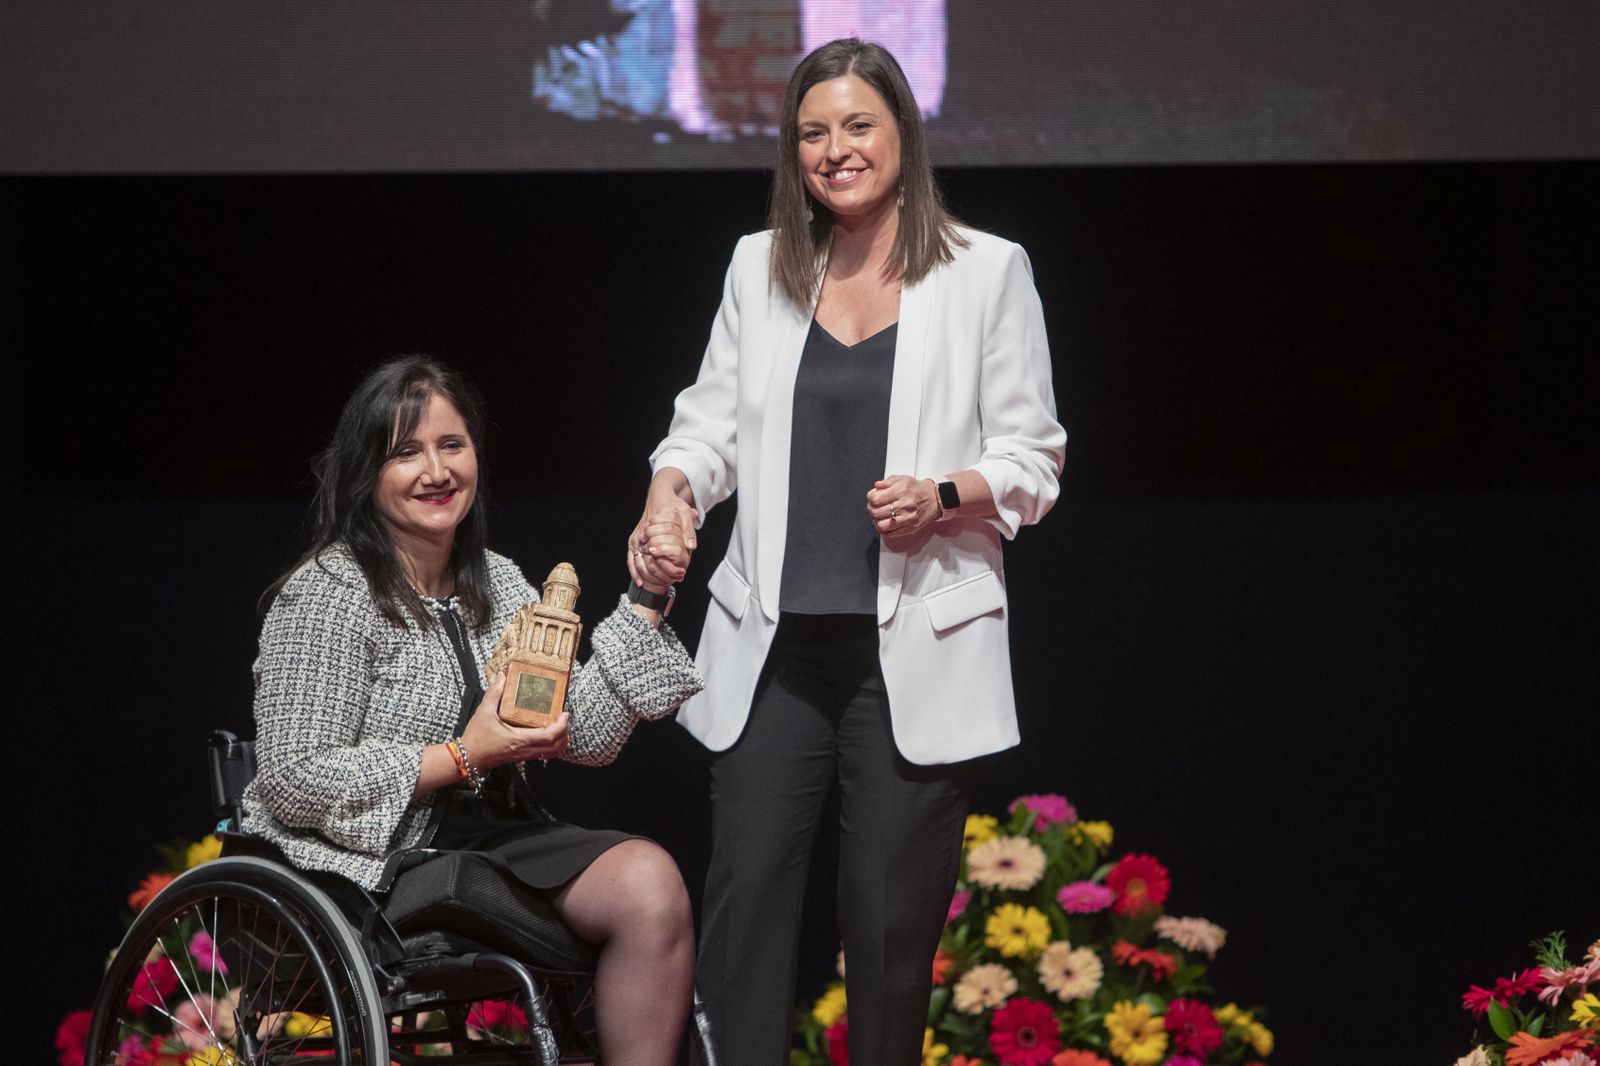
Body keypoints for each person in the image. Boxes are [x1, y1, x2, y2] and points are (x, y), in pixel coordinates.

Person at [629, 37, 1066, 1066]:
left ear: (902, 133)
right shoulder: (759, 266)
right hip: (772, 650)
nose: (837, 151)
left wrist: (943, 494)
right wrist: (668, 492)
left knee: (885, 937)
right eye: (813, 133)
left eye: (858, 125)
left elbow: (1033, 459)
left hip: (912, 650)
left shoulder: (986, 271)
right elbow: (706, 427)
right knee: (745, 917)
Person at [242, 355, 700, 1066]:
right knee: (587, 885)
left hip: (488, 838)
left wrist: (645, 597)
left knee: (651, 883)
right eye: (406, 452)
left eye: (451, 445)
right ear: (367, 473)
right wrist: (462, 757)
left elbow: (584, 733)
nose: (436, 471)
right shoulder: (328, 594)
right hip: (367, 864)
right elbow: (294, 778)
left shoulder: (499, 583)